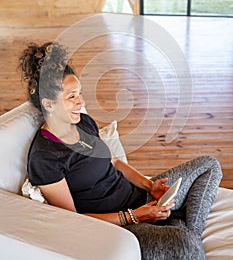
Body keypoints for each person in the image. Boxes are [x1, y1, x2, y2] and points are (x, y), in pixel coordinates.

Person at [19, 41, 222, 260]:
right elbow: (75, 220)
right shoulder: (45, 157)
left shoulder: (83, 123)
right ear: (48, 104)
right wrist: (135, 216)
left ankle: (179, 225)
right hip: (122, 225)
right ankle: (179, 229)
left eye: (80, 93)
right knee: (185, 246)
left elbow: (114, 162)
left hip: (142, 199)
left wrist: (149, 185)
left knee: (209, 165)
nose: (81, 102)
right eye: (72, 97)